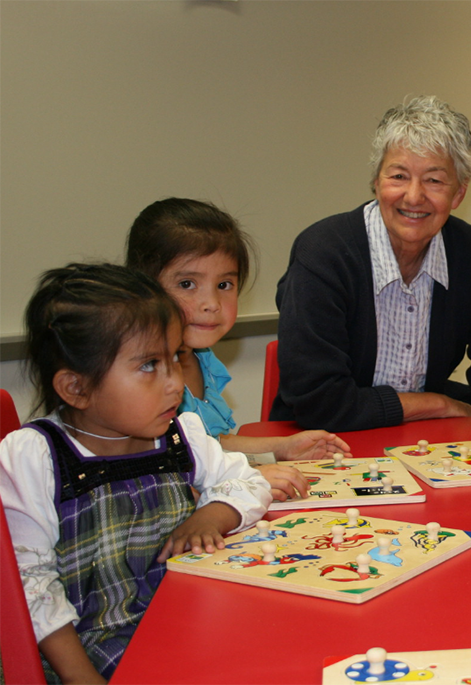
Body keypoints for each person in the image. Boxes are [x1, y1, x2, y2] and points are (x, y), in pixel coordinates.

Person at [0, 263, 273, 683]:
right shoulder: (33, 457)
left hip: (179, 623)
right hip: (88, 646)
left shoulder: (183, 433)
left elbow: (249, 482)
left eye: (175, 359)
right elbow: (28, 585)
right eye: (149, 365)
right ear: (76, 387)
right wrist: (79, 676)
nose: (175, 385)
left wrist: (211, 514)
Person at [272, 95, 471, 444]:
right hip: (322, 444)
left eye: (434, 181)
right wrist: (437, 403)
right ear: (376, 183)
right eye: (398, 176)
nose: (413, 196)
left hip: (429, 447)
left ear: (458, 195)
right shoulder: (323, 254)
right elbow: (319, 403)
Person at [126, 198, 353, 501]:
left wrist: (280, 448)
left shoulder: (201, 358)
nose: (211, 304)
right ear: (144, 285)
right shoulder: (140, 377)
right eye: (187, 284)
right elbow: (154, 478)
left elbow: (211, 445)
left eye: (224, 285)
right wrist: (247, 478)